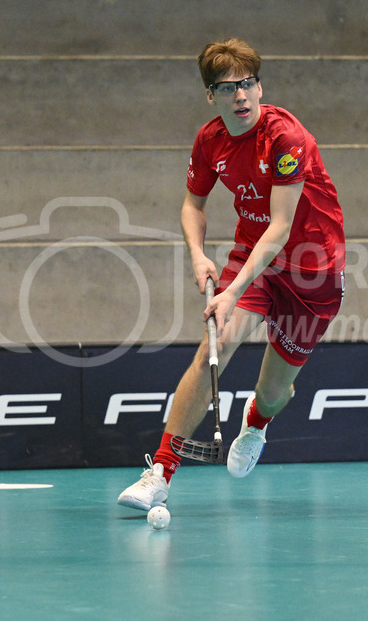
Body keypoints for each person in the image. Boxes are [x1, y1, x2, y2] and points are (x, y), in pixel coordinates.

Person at [119, 38, 346, 510]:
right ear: (211, 96)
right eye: (227, 88)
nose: (241, 96)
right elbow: (192, 204)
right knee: (213, 349)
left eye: (247, 84)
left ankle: (257, 422)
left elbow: (281, 228)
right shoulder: (210, 141)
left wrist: (230, 291)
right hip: (253, 260)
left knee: (274, 389)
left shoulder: (287, 138)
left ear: (259, 86)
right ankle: (159, 473)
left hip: (311, 271)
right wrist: (198, 255)